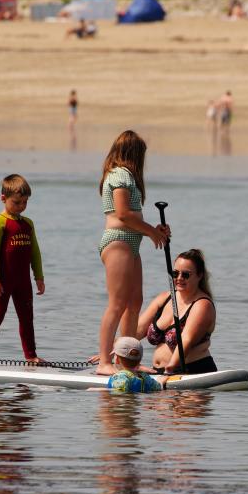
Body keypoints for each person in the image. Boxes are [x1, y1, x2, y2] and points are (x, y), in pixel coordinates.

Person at [96, 130, 170, 376]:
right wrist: (151, 232)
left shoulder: (127, 176)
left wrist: (153, 230)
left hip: (131, 244)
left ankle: (128, 359)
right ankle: (105, 363)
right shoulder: (119, 174)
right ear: (133, 154)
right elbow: (123, 214)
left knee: (134, 302)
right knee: (117, 304)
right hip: (117, 242)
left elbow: (133, 217)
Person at [0, 174, 45, 368]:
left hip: (23, 281)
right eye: (17, 202)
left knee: (27, 317)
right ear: (3, 198)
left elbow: (35, 252)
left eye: (25, 202)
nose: (21, 206)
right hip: (3, 281)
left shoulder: (28, 224)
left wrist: (39, 277)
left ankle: (31, 355)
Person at [138, 248, 217, 374]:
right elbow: (137, 330)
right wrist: (116, 350)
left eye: (186, 274)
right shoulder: (164, 298)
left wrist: (169, 369)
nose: (179, 278)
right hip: (160, 372)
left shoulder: (202, 305)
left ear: (199, 276)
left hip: (191, 371)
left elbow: (186, 340)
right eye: (175, 273)